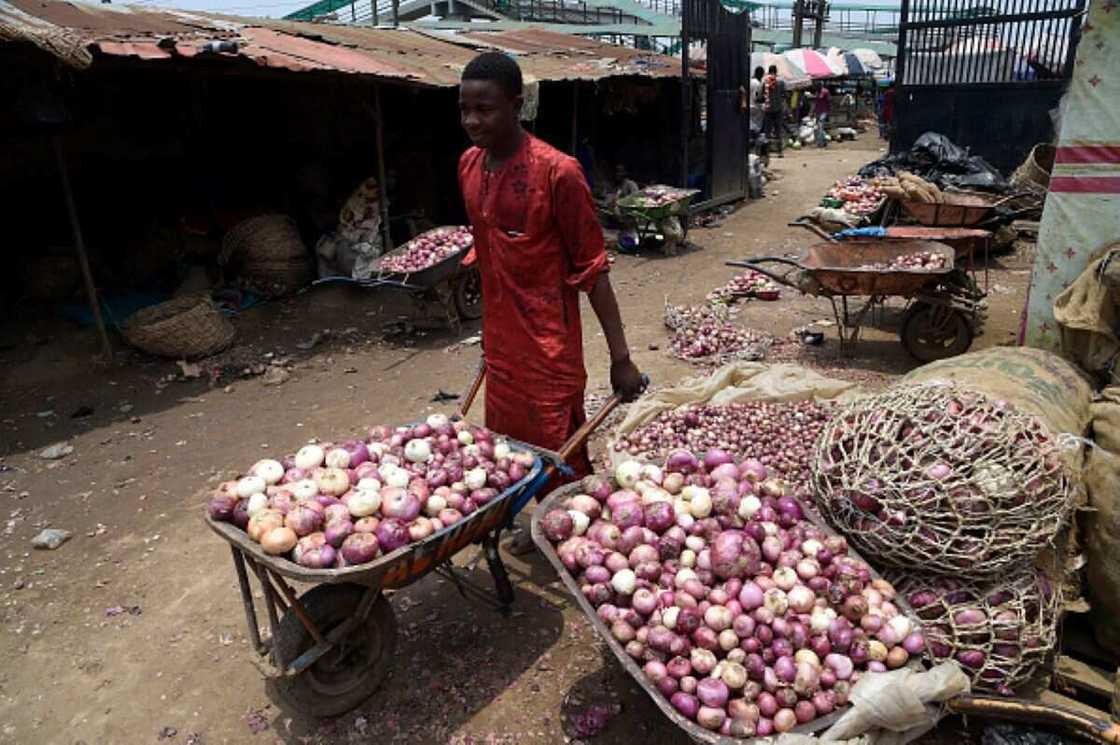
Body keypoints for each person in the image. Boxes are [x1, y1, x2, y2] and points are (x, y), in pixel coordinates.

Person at [457, 52, 647, 544]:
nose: (473, 121)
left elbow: (593, 272)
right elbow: (488, 253)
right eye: (465, 109)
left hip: (549, 346)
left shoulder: (557, 174)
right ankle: (530, 516)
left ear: (516, 105)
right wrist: (489, 336)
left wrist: (621, 359)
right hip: (502, 346)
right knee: (504, 447)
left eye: (486, 109)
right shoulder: (468, 167)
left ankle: (577, 536)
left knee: (560, 448)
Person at [762, 64, 785, 158]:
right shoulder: (781, 82)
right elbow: (784, 94)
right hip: (778, 109)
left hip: (768, 109)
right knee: (778, 131)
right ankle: (780, 152)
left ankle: (767, 152)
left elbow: (761, 95)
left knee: (767, 132)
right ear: (776, 71)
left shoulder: (765, 82)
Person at [813, 83, 831, 148]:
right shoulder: (817, 92)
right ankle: (824, 141)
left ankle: (820, 143)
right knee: (819, 127)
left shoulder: (825, 91)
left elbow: (829, 101)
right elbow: (816, 102)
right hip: (818, 111)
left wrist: (829, 111)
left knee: (820, 126)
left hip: (824, 111)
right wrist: (813, 111)